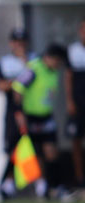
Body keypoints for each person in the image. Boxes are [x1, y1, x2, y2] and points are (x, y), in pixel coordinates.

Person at [12, 43, 70, 200]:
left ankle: (56, 187)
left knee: (52, 152)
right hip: (31, 117)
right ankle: (41, 186)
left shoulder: (53, 72)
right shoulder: (34, 70)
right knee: (36, 154)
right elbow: (18, 89)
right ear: (50, 58)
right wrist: (19, 112)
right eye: (57, 61)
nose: (59, 65)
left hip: (46, 116)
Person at [0, 29, 34, 200]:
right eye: (16, 41)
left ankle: (40, 184)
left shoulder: (34, 60)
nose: (20, 45)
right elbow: (2, 85)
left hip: (32, 109)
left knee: (36, 147)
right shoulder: (4, 62)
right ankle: (7, 184)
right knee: (12, 147)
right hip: (13, 110)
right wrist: (19, 82)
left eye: (22, 41)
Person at [65, 18, 85, 191]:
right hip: (78, 105)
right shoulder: (73, 51)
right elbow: (68, 77)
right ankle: (79, 180)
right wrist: (70, 101)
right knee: (76, 142)